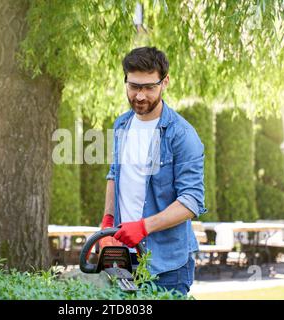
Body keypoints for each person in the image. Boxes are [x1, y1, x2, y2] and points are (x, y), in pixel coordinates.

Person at [100, 46, 207, 295]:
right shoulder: (122, 124)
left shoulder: (182, 135)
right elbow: (115, 174)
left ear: (165, 82)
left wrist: (143, 227)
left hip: (166, 264)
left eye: (149, 87)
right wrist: (107, 223)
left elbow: (191, 201)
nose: (140, 96)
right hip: (122, 258)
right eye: (134, 86)